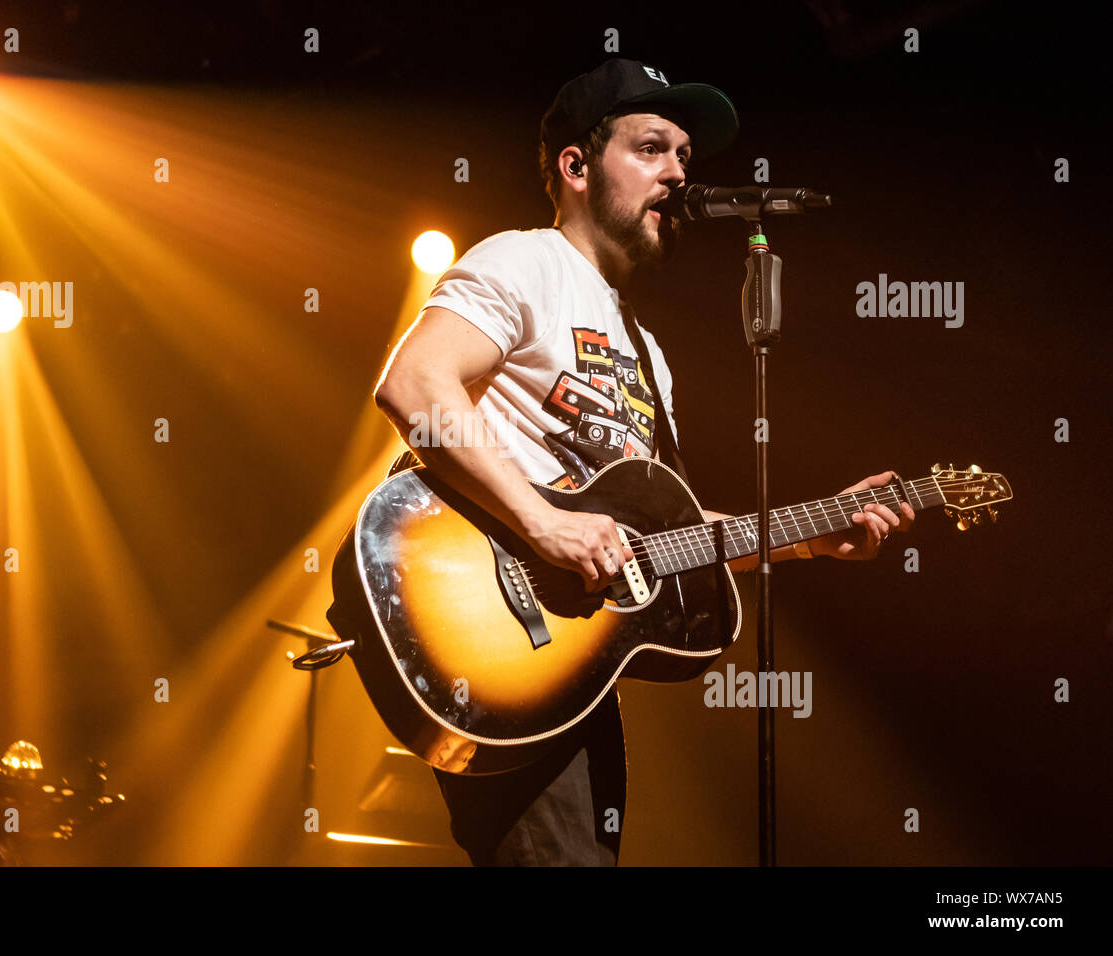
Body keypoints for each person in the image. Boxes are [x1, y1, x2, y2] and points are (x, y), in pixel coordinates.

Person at [370, 58, 915, 866]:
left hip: (563, 671)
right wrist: (545, 524)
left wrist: (814, 534)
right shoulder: (525, 262)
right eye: (652, 148)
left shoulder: (646, 353)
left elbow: (672, 533)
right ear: (577, 167)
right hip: (487, 627)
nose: (678, 174)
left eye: (686, 159)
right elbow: (413, 382)